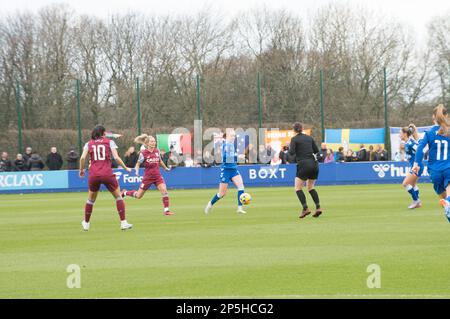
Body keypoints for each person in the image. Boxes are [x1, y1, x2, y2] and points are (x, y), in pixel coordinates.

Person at [79, 124, 133, 231]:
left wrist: (81, 170)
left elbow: (82, 158)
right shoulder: (110, 142)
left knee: (91, 200)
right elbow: (116, 158)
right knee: (118, 197)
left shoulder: (88, 144)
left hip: (94, 174)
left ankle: (86, 223)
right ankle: (123, 223)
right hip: (107, 173)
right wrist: (126, 168)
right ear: (103, 133)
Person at [413, 105, 450, 222]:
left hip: (434, 171)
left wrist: (416, 164)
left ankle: (447, 204)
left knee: (444, 200)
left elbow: (420, 149)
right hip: (448, 167)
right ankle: (448, 202)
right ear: (447, 116)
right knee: (448, 195)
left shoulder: (429, 133)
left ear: (433, 117)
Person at [121, 134, 173, 216]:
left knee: (164, 190)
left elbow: (160, 161)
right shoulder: (143, 153)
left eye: (154, 141)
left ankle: (166, 210)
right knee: (138, 196)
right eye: (152, 141)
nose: (154, 143)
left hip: (157, 176)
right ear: (148, 143)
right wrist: (137, 171)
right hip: (147, 178)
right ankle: (125, 192)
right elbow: (137, 164)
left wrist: (165, 168)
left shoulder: (157, 151)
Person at [204, 128, 248, 215]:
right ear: (227, 136)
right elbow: (225, 158)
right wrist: (238, 156)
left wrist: (237, 157)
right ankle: (210, 204)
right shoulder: (225, 145)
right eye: (232, 135)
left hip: (234, 170)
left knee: (241, 186)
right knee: (222, 193)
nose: (234, 137)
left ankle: (239, 208)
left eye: (234, 135)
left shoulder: (231, 145)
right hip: (226, 170)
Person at [288, 122, 322, 218]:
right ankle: (318, 207)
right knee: (311, 187)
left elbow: (291, 153)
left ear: (294, 130)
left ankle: (305, 208)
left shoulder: (294, 139)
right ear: (302, 129)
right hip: (314, 164)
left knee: (298, 188)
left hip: (303, 164)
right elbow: (316, 151)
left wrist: (288, 147)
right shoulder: (309, 138)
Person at [401, 124, 423, 209]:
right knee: (413, 184)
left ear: (405, 134)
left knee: (405, 184)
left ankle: (416, 200)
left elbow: (419, 150)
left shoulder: (410, 143)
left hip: (417, 167)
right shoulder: (407, 143)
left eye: (400, 133)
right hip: (417, 166)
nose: (400, 135)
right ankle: (418, 203)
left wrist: (417, 164)